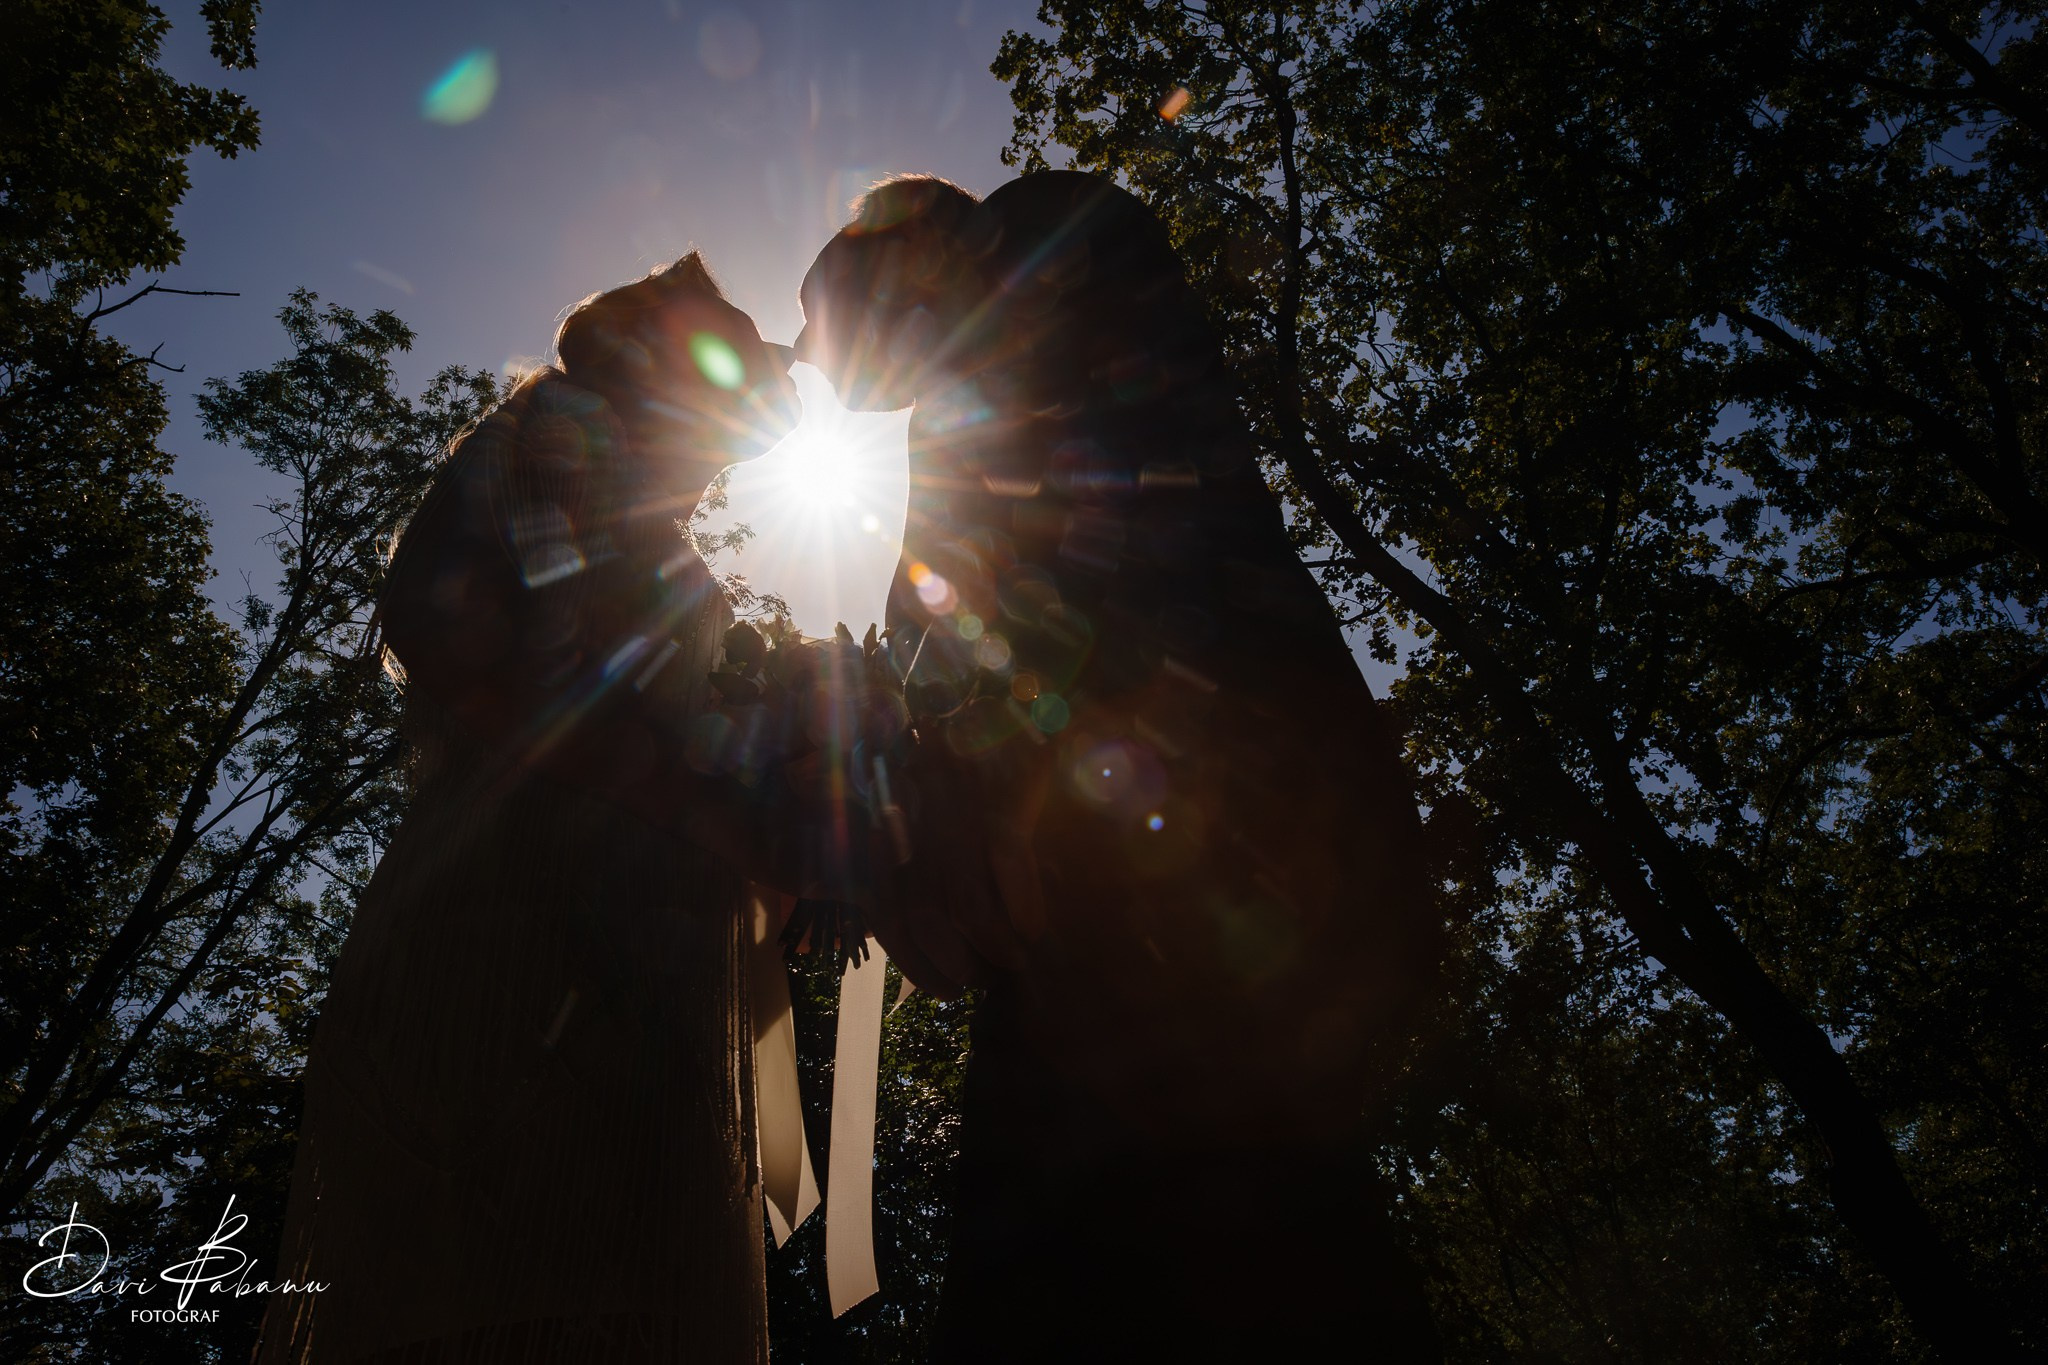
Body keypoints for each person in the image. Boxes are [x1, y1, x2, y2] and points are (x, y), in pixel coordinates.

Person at [795, 174, 1448, 1360]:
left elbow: (1120, 518)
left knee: (1229, 1246)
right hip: (1086, 896)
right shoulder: (956, 420)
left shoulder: (1047, 245)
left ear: (899, 257)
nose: (800, 350)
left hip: (1194, 847)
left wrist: (1012, 776)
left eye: (814, 305)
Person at [253, 253, 802, 1365]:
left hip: (653, 959)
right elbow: (436, 623)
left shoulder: (673, 544)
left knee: (636, 1281)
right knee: (498, 1278)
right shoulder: (537, 450)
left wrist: (786, 800)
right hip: (511, 913)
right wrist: (686, 801)